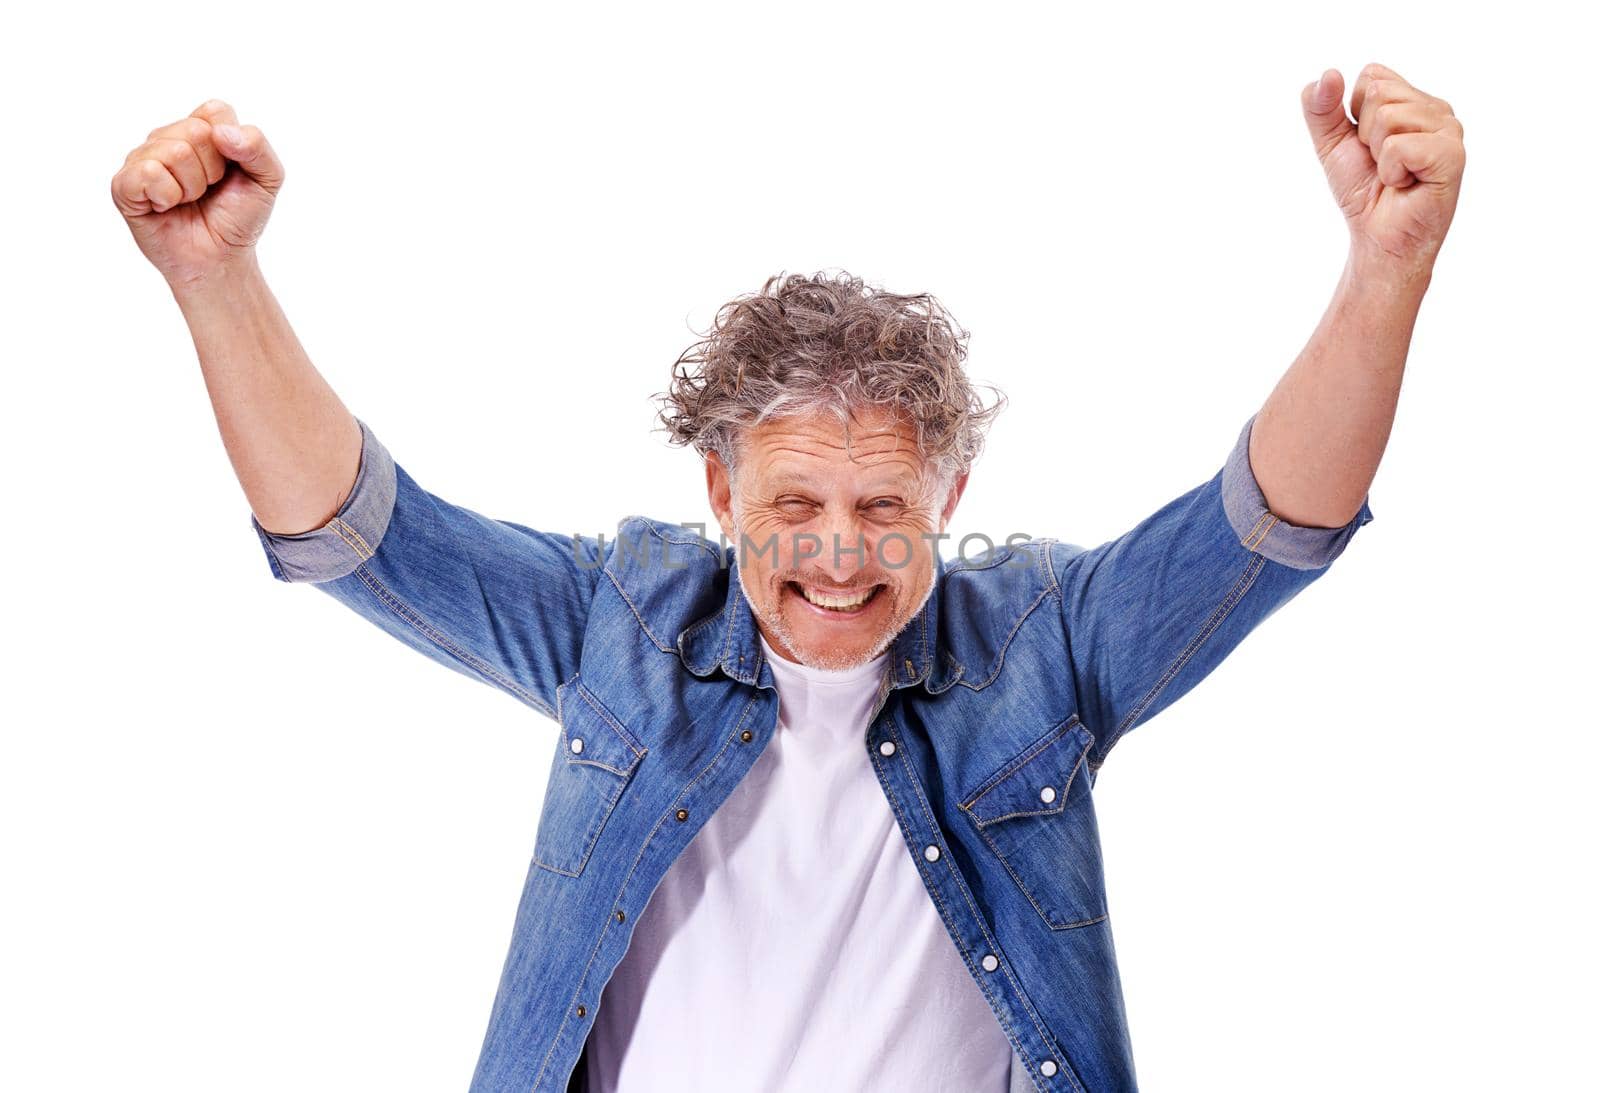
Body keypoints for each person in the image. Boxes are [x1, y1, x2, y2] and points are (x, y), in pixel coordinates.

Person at [111, 62, 1464, 1093]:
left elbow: (1268, 523)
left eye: (884, 504)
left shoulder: (1040, 644)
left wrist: (1387, 265)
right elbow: (362, 534)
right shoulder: (624, 622)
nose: (836, 549)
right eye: (793, 503)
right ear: (719, 496)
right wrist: (216, 283)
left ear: (951, 498)